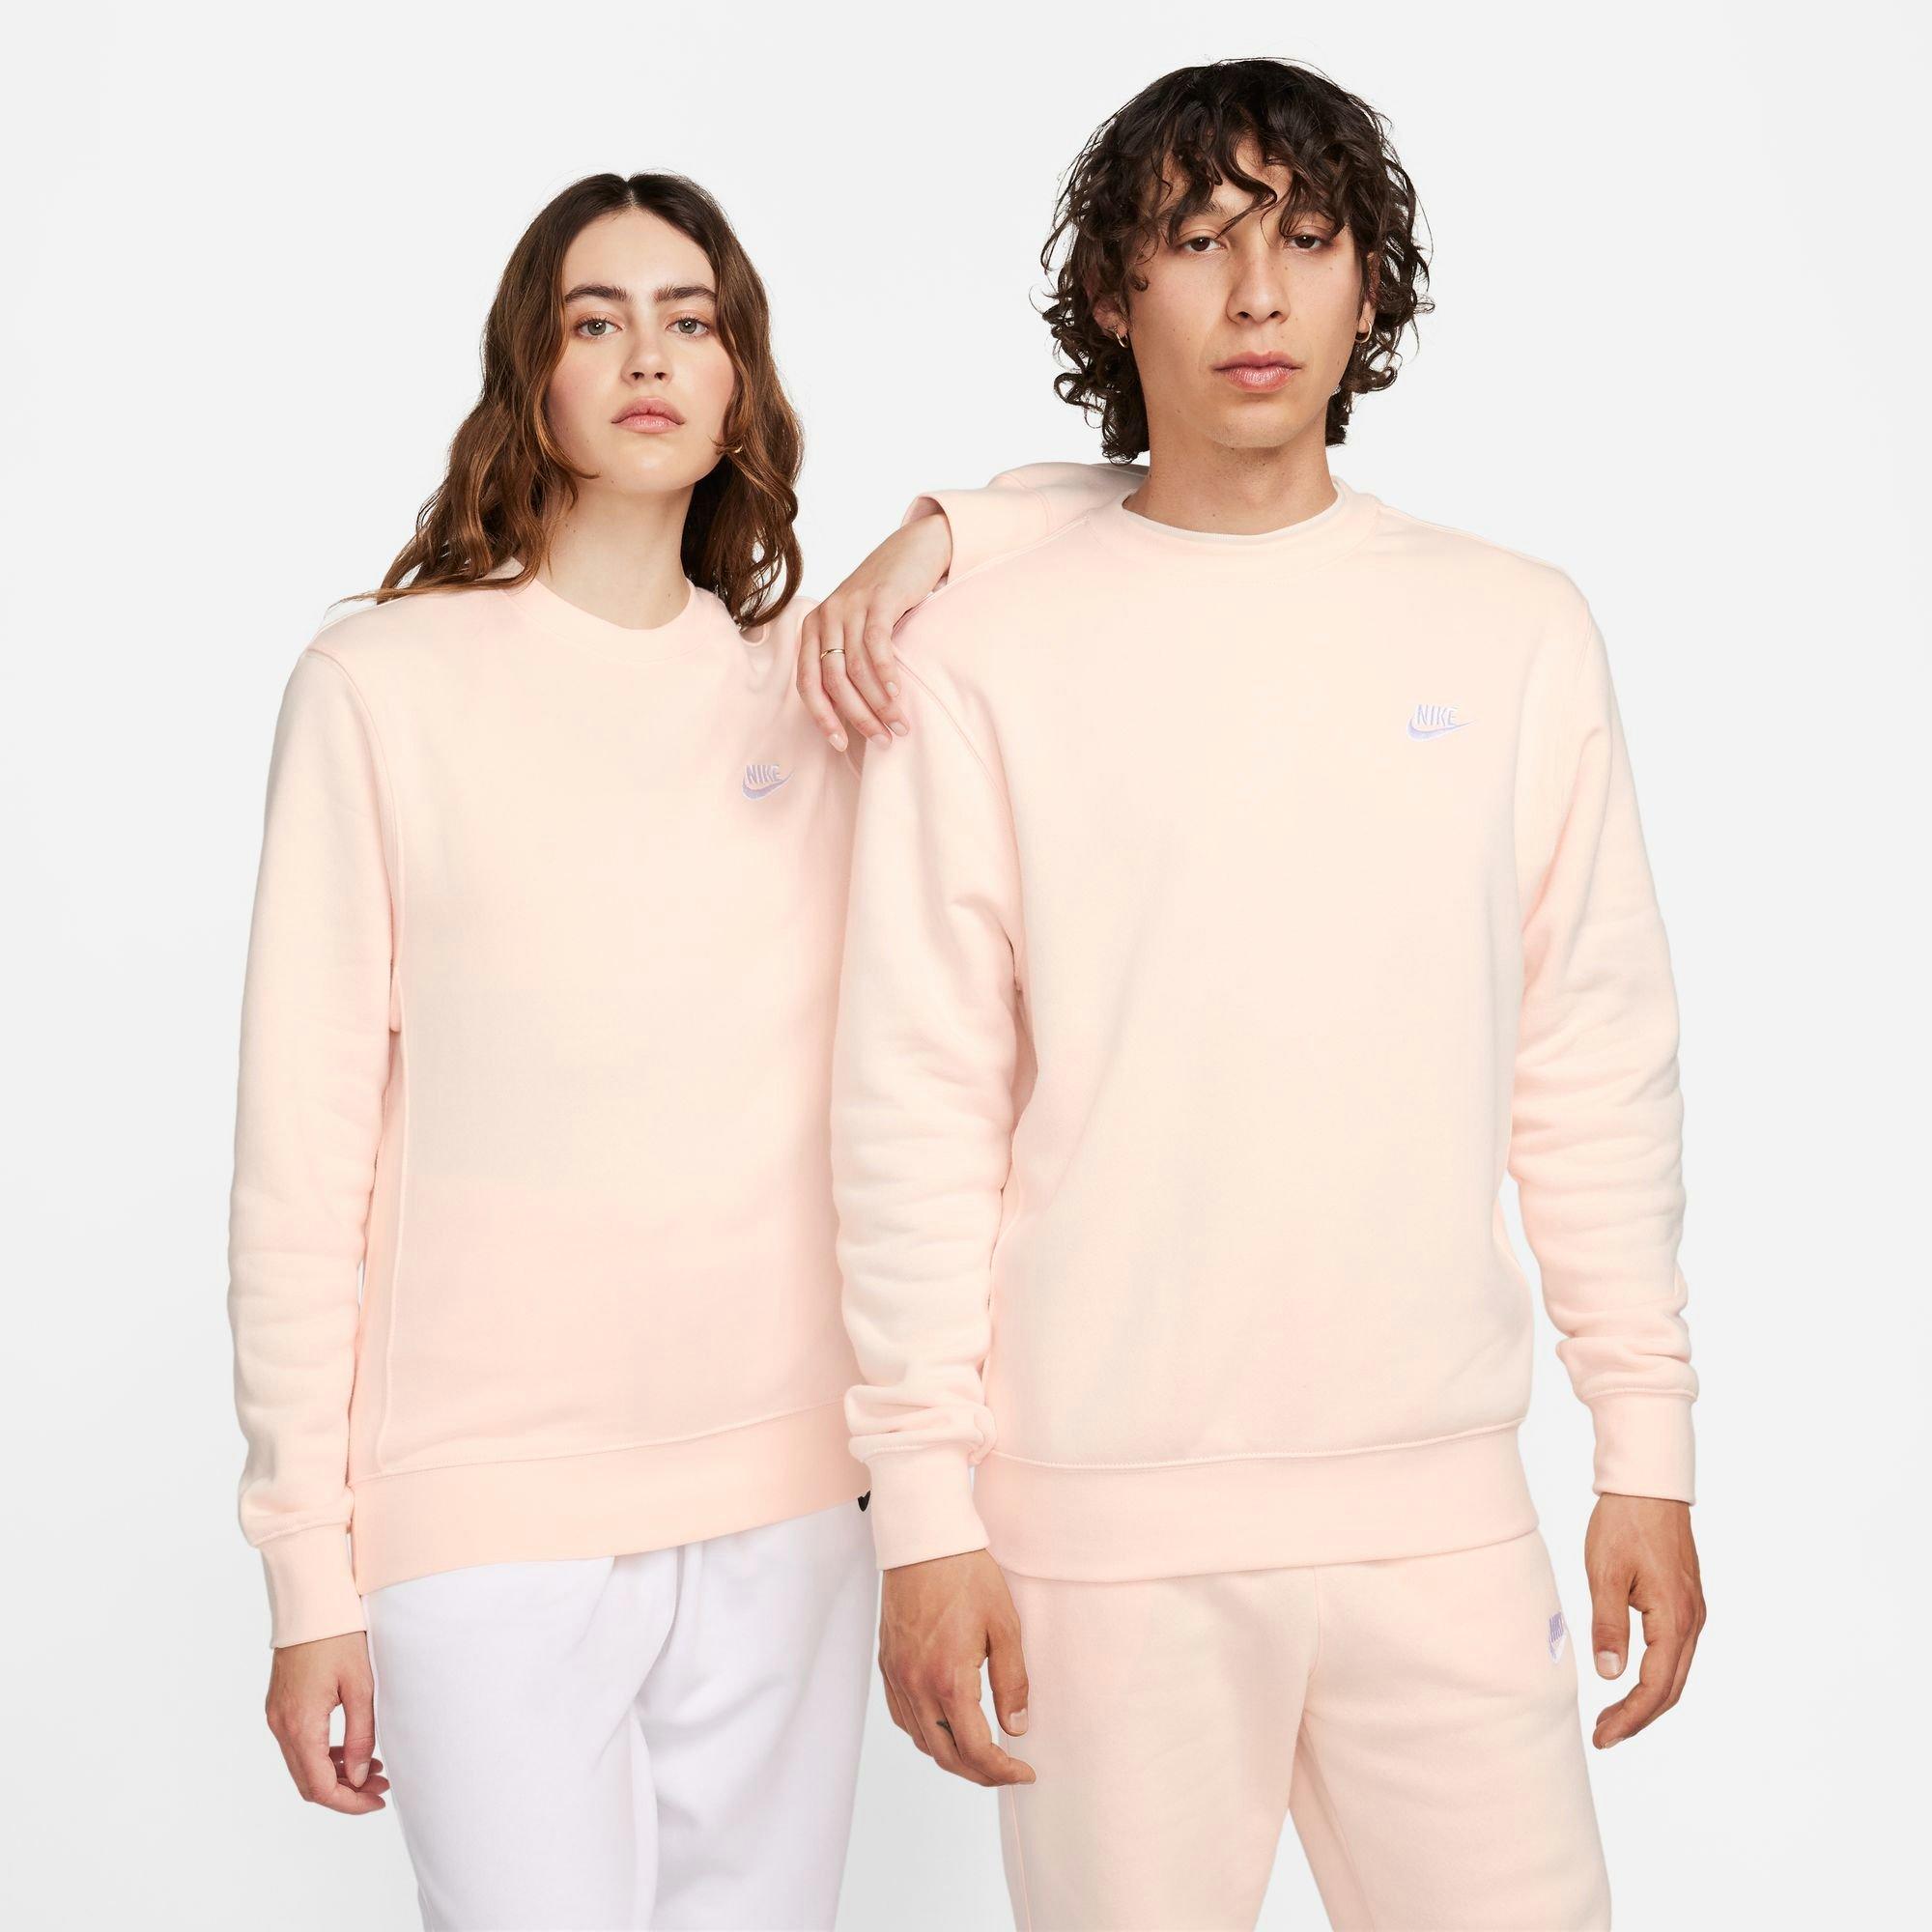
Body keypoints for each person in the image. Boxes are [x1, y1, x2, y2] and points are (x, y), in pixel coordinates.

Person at [828, 57, 1706, 1930]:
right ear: (1109, 292)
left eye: (1306, 241)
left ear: (1367, 288)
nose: (1254, 295)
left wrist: (1646, 1448)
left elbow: (1590, 1066)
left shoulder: (1511, 627)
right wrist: (923, 1510)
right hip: (1098, 1534)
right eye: (1197, 240)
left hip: (1438, 1516)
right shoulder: (978, 652)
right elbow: (915, 1097)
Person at [225, 167, 1094, 1931]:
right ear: (530, 375)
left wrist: (927, 541)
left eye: (691, 323)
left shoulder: (818, 693)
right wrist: (308, 1576)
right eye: (595, 320)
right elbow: (301, 1170)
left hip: (789, 1500)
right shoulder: (381, 688)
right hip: (485, 1516)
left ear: (738, 381)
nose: (647, 357)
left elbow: (1114, 508)